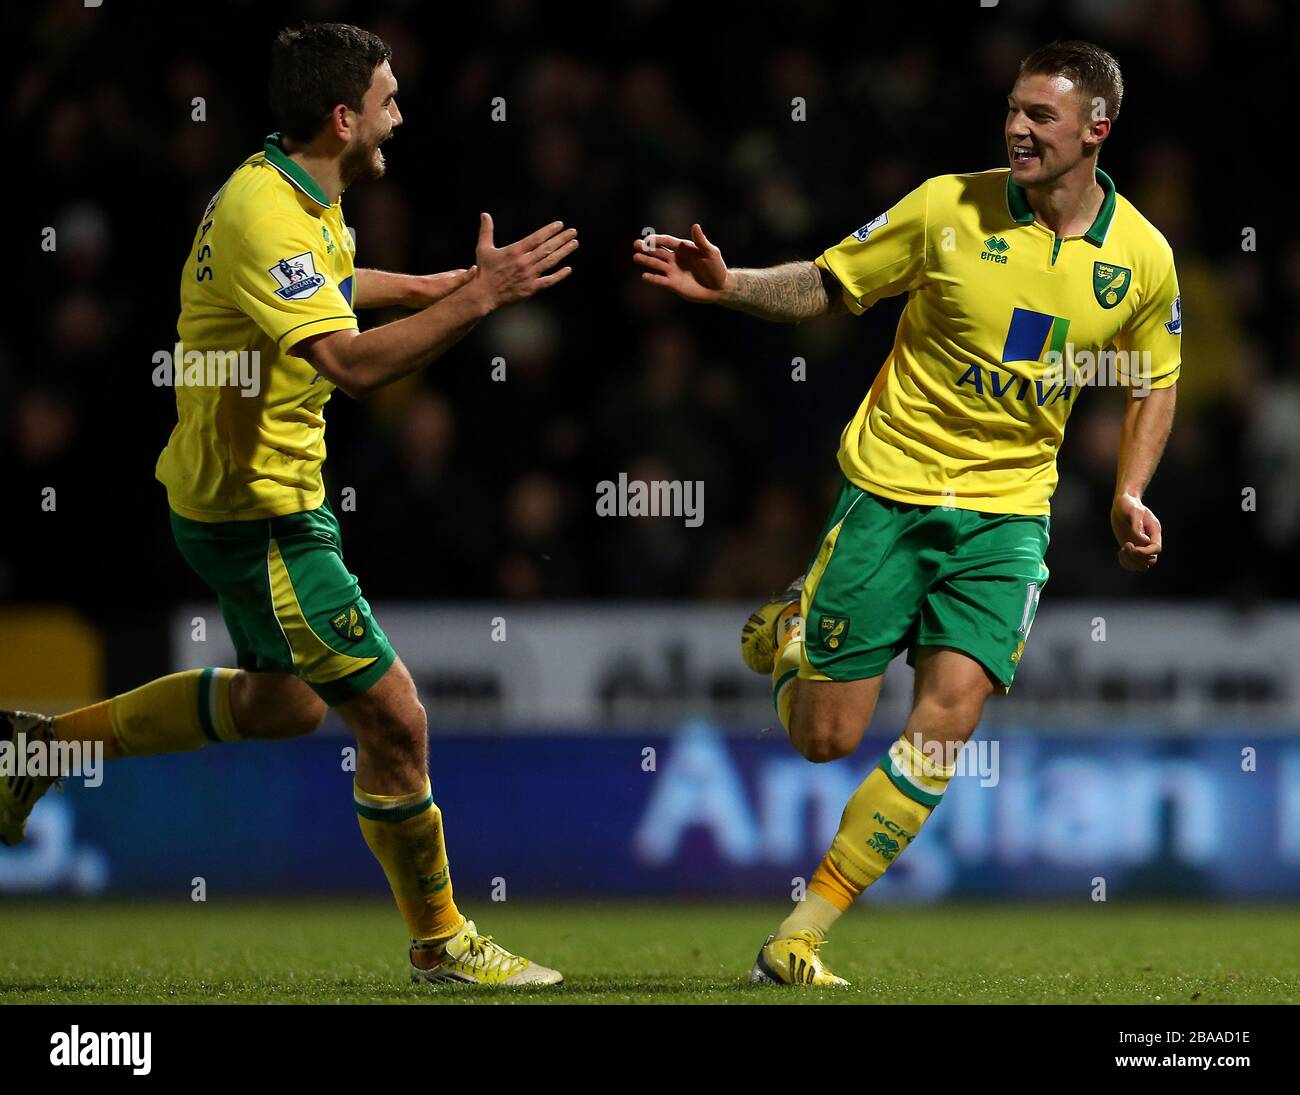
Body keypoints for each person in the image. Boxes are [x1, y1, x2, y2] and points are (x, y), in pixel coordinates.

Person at [1, 21, 578, 988]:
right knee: (396, 720)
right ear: (344, 116)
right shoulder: (267, 212)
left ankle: (40, 748)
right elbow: (348, 362)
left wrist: (443, 282)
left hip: (254, 497)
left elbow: (330, 287)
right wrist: (478, 304)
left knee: (283, 703)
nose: (401, 113)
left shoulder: (298, 189)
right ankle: (440, 942)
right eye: (389, 99)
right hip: (260, 515)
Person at [634, 39, 1179, 986]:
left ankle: (799, 935)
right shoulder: (944, 207)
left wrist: (1131, 490)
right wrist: (731, 286)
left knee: (947, 720)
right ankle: (802, 629)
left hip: (1009, 518)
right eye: (1012, 108)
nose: (1016, 126)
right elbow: (826, 283)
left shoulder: (1142, 258)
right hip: (892, 492)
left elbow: (1155, 379)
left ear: (1097, 128)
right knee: (825, 739)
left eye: (1040, 116)